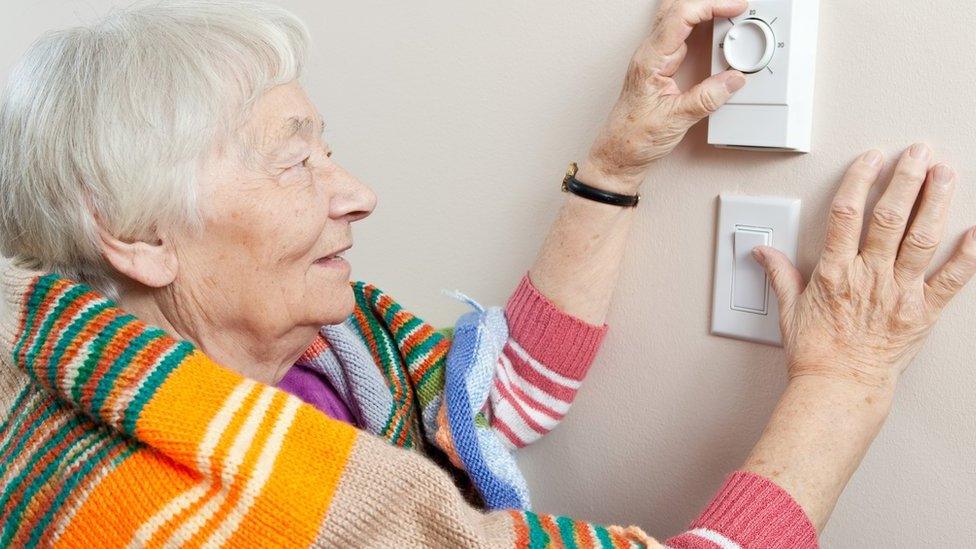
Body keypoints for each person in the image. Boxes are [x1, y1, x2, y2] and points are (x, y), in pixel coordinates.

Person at [0, 1, 971, 547]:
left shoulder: (319, 359)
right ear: (131, 234)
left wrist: (615, 168)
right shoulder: (204, 519)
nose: (359, 194)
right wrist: (846, 383)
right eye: (295, 161)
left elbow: (489, 404)